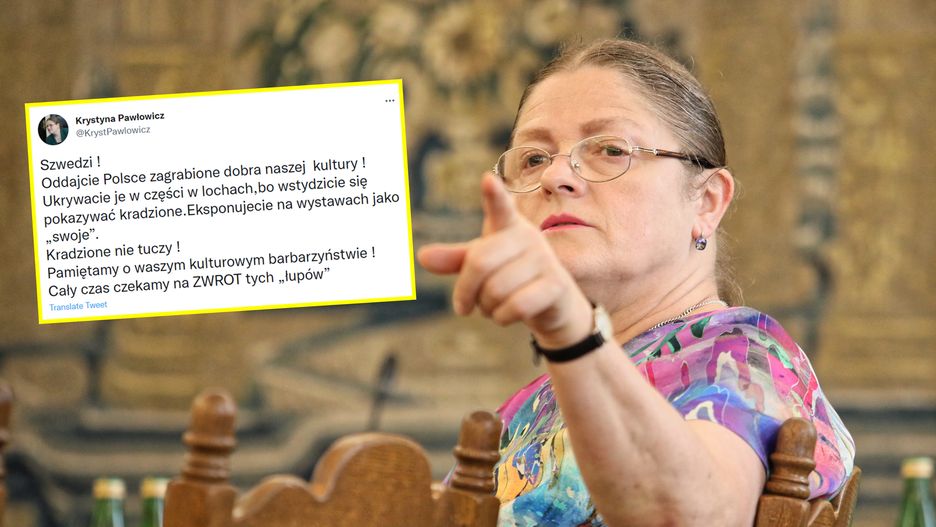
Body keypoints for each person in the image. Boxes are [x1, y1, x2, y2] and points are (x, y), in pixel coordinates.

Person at [418, 38, 855, 527]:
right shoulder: (532, 404)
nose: (556, 176)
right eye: (534, 159)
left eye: (610, 149)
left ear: (707, 201)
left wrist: (571, 333)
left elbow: (691, 518)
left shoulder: (744, 359)